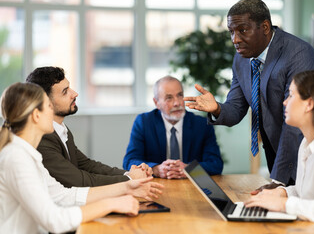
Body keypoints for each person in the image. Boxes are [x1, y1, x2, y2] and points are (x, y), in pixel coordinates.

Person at [184, 0, 314, 191]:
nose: (235, 40)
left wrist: (278, 182)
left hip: (305, 153)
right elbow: (236, 108)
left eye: (242, 30)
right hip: (274, 148)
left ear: (265, 27)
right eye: (231, 32)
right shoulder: (241, 59)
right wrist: (217, 108)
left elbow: (295, 124)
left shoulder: (298, 55)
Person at [0, 82, 164, 233]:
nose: (53, 112)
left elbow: (63, 195)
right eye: (49, 106)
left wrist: (128, 187)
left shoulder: (25, 154)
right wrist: (111, 203)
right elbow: (54, 220)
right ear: (36, 115)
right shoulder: (16, 158)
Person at [244, 70, 314, 233]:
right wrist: (283, 193)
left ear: (309, 104)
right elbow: (307, 192)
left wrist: (285, 204)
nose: (285, 102)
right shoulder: (308, 143)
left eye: (291, 95)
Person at [26, 66, 152, 188]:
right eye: (65, 92)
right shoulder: (42, 138)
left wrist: (128, 173)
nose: (74, 94)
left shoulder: (61, 129)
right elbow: (78, 180)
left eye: (69, 88)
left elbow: (86, 165)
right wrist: (129, 179)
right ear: (45, 102)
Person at [123, 76, 223, 179]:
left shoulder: (201, 125)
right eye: (169, 98)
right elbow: (130, 161)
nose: (177, 103)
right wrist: (156, 169)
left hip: (191, 186)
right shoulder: (144, 122)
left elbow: (216, 164)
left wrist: (189, 169)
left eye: (180, 95)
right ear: (157, 103)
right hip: (155, 186)